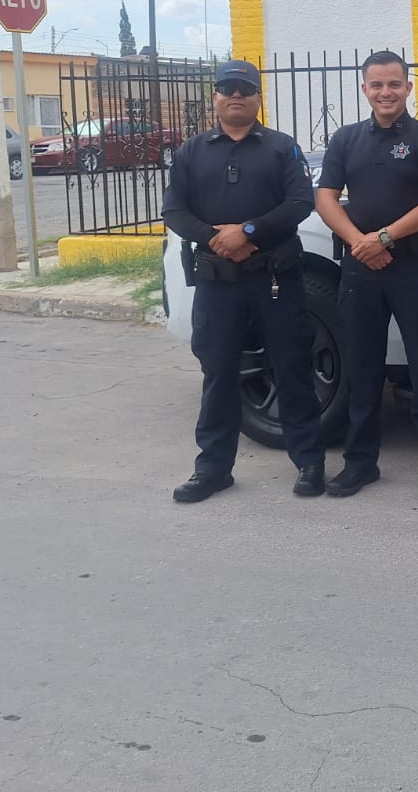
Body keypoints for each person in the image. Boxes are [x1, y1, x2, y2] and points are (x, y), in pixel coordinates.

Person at [162, 59, 325, 503]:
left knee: (292, 368)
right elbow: (174, 210)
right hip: (218, 282)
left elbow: (300, 203)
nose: (237, 95)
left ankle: (309, 462)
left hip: (274, 280)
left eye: (246, 89)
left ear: (257, 97)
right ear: (215, 96)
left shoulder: (281, 148)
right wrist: (215, 238)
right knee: (218, 373)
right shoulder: (192, 151)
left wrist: (248, 232)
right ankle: (212, 469)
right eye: (228, 88)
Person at [314, 51, 418, 502]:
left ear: (408, 87)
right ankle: (360, 464)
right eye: (376, 85)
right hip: (361, 268)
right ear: (364, 89)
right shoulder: (345, 139)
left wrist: (384, 238)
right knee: (362, 369)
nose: (385, 92)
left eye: (394, 84)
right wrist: (361, 244)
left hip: (412, 268)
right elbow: (325, 198)